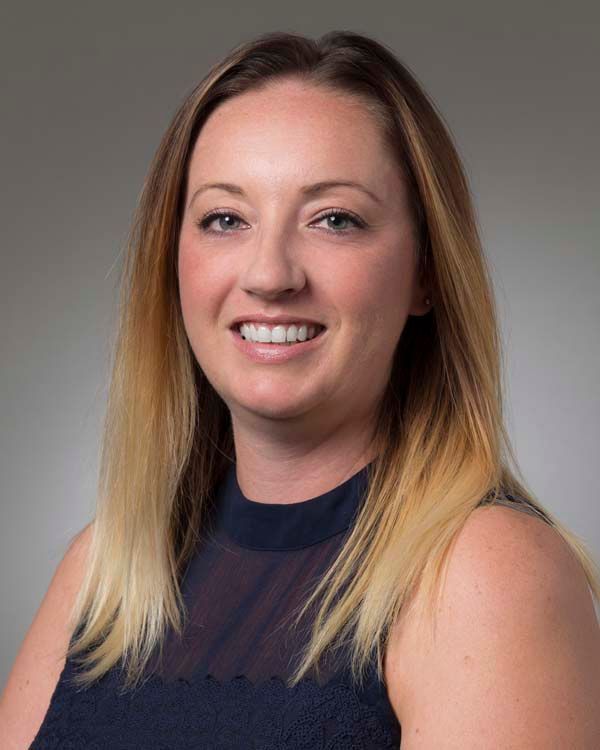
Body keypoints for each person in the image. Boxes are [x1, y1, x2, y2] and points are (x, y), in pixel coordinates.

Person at [2, 29, 600, 749]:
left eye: (334, 220)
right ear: (173, 260)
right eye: (226, 218)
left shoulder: (485, 574)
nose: (270, 274)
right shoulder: (103, 572)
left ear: (426, 273)